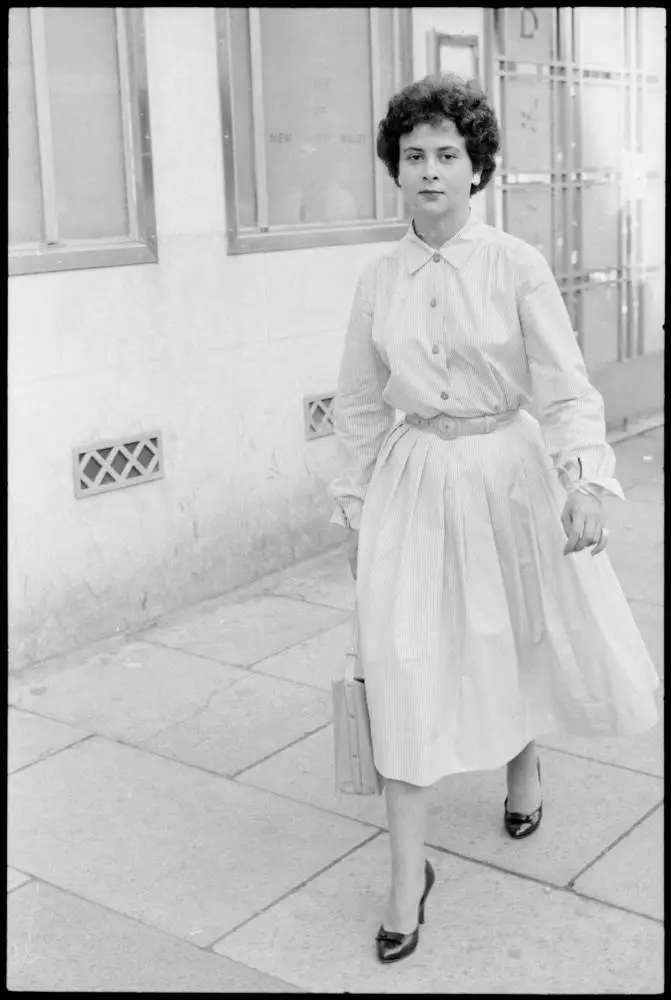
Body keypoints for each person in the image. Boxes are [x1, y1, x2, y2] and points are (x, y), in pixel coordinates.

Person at [330, 74, 660, 965]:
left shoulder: (514, 264)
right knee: (399, 662)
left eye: (447, 155)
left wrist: (585, 481)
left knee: (513, 631)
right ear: (394, 171)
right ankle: (408, 875)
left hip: (507, 473)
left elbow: (562, 384)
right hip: (413, 480)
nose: (429, 170)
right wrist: (356, 510)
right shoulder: (375, 279)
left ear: (476, 168)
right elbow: (358, 405)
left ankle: (521, 764)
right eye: (413, 156)